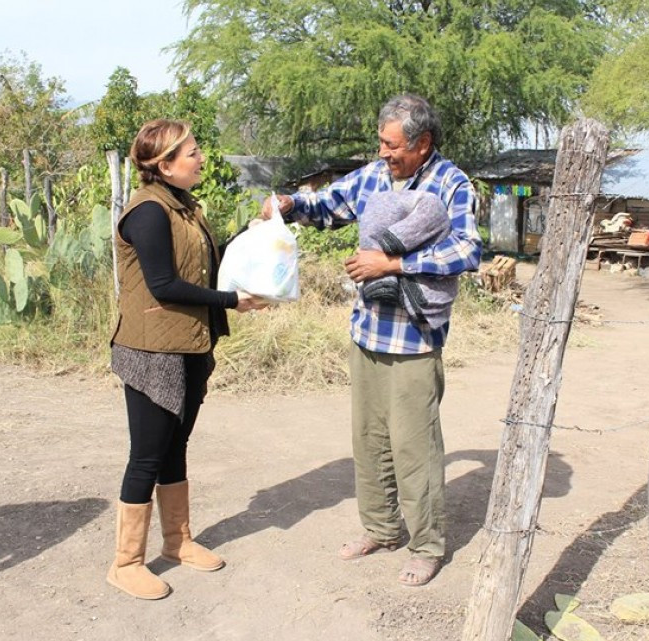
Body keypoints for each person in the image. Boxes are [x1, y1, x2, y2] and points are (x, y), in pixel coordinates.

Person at [261, 94, 481, 586]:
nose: (383, 152)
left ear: (423, 144)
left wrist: (395, 263)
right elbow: (329, 205)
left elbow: (467, 250)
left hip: (415, 340)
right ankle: (381, 528)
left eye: (392, 145)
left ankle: (426, 545)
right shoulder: (374, 176)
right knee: (370, 441)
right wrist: (292, 204)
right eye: (380, 142)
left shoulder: (451, 183)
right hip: (368, 332)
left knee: (413, 447)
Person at [107, 118, 265, 600]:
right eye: (191, 152)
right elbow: (165, 285)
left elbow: (205, 268)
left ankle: (177, 542)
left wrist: (251, 233)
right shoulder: (149, 212)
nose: (199, 158)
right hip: (152, 351)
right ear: (164, 164)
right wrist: (232, 302)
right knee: (147, 456)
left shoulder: (184, 208)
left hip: (191, 344)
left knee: (175, 448)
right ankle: (126, 562)